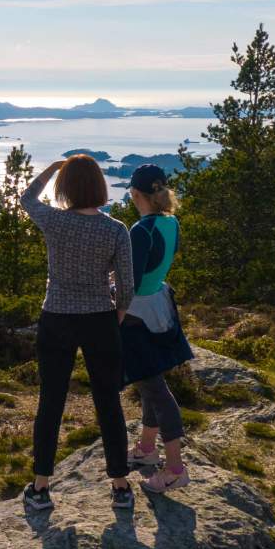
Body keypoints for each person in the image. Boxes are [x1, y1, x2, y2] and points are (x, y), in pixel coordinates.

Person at [18, 153, 137, 513]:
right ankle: (119, 486)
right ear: (100, 187)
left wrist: (53, 168)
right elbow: (127, 287)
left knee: (51, 401)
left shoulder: (55, 222)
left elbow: (26, 199)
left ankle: (40, 487)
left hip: (56, 316)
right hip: (100, 318)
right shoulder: (116, 229)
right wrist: (114, 316)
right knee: (108, 402)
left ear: (65, 187)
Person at [120, 163, 193, 494]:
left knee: (155, 390)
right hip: (161, 307)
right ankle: (147, 450)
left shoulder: (140, 229)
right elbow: (157, 266)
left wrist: (113, 309)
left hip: (137, 316)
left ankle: (175, 469)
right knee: (151, 381)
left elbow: (131, 283)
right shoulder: (171, 222)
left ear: (136, 194)